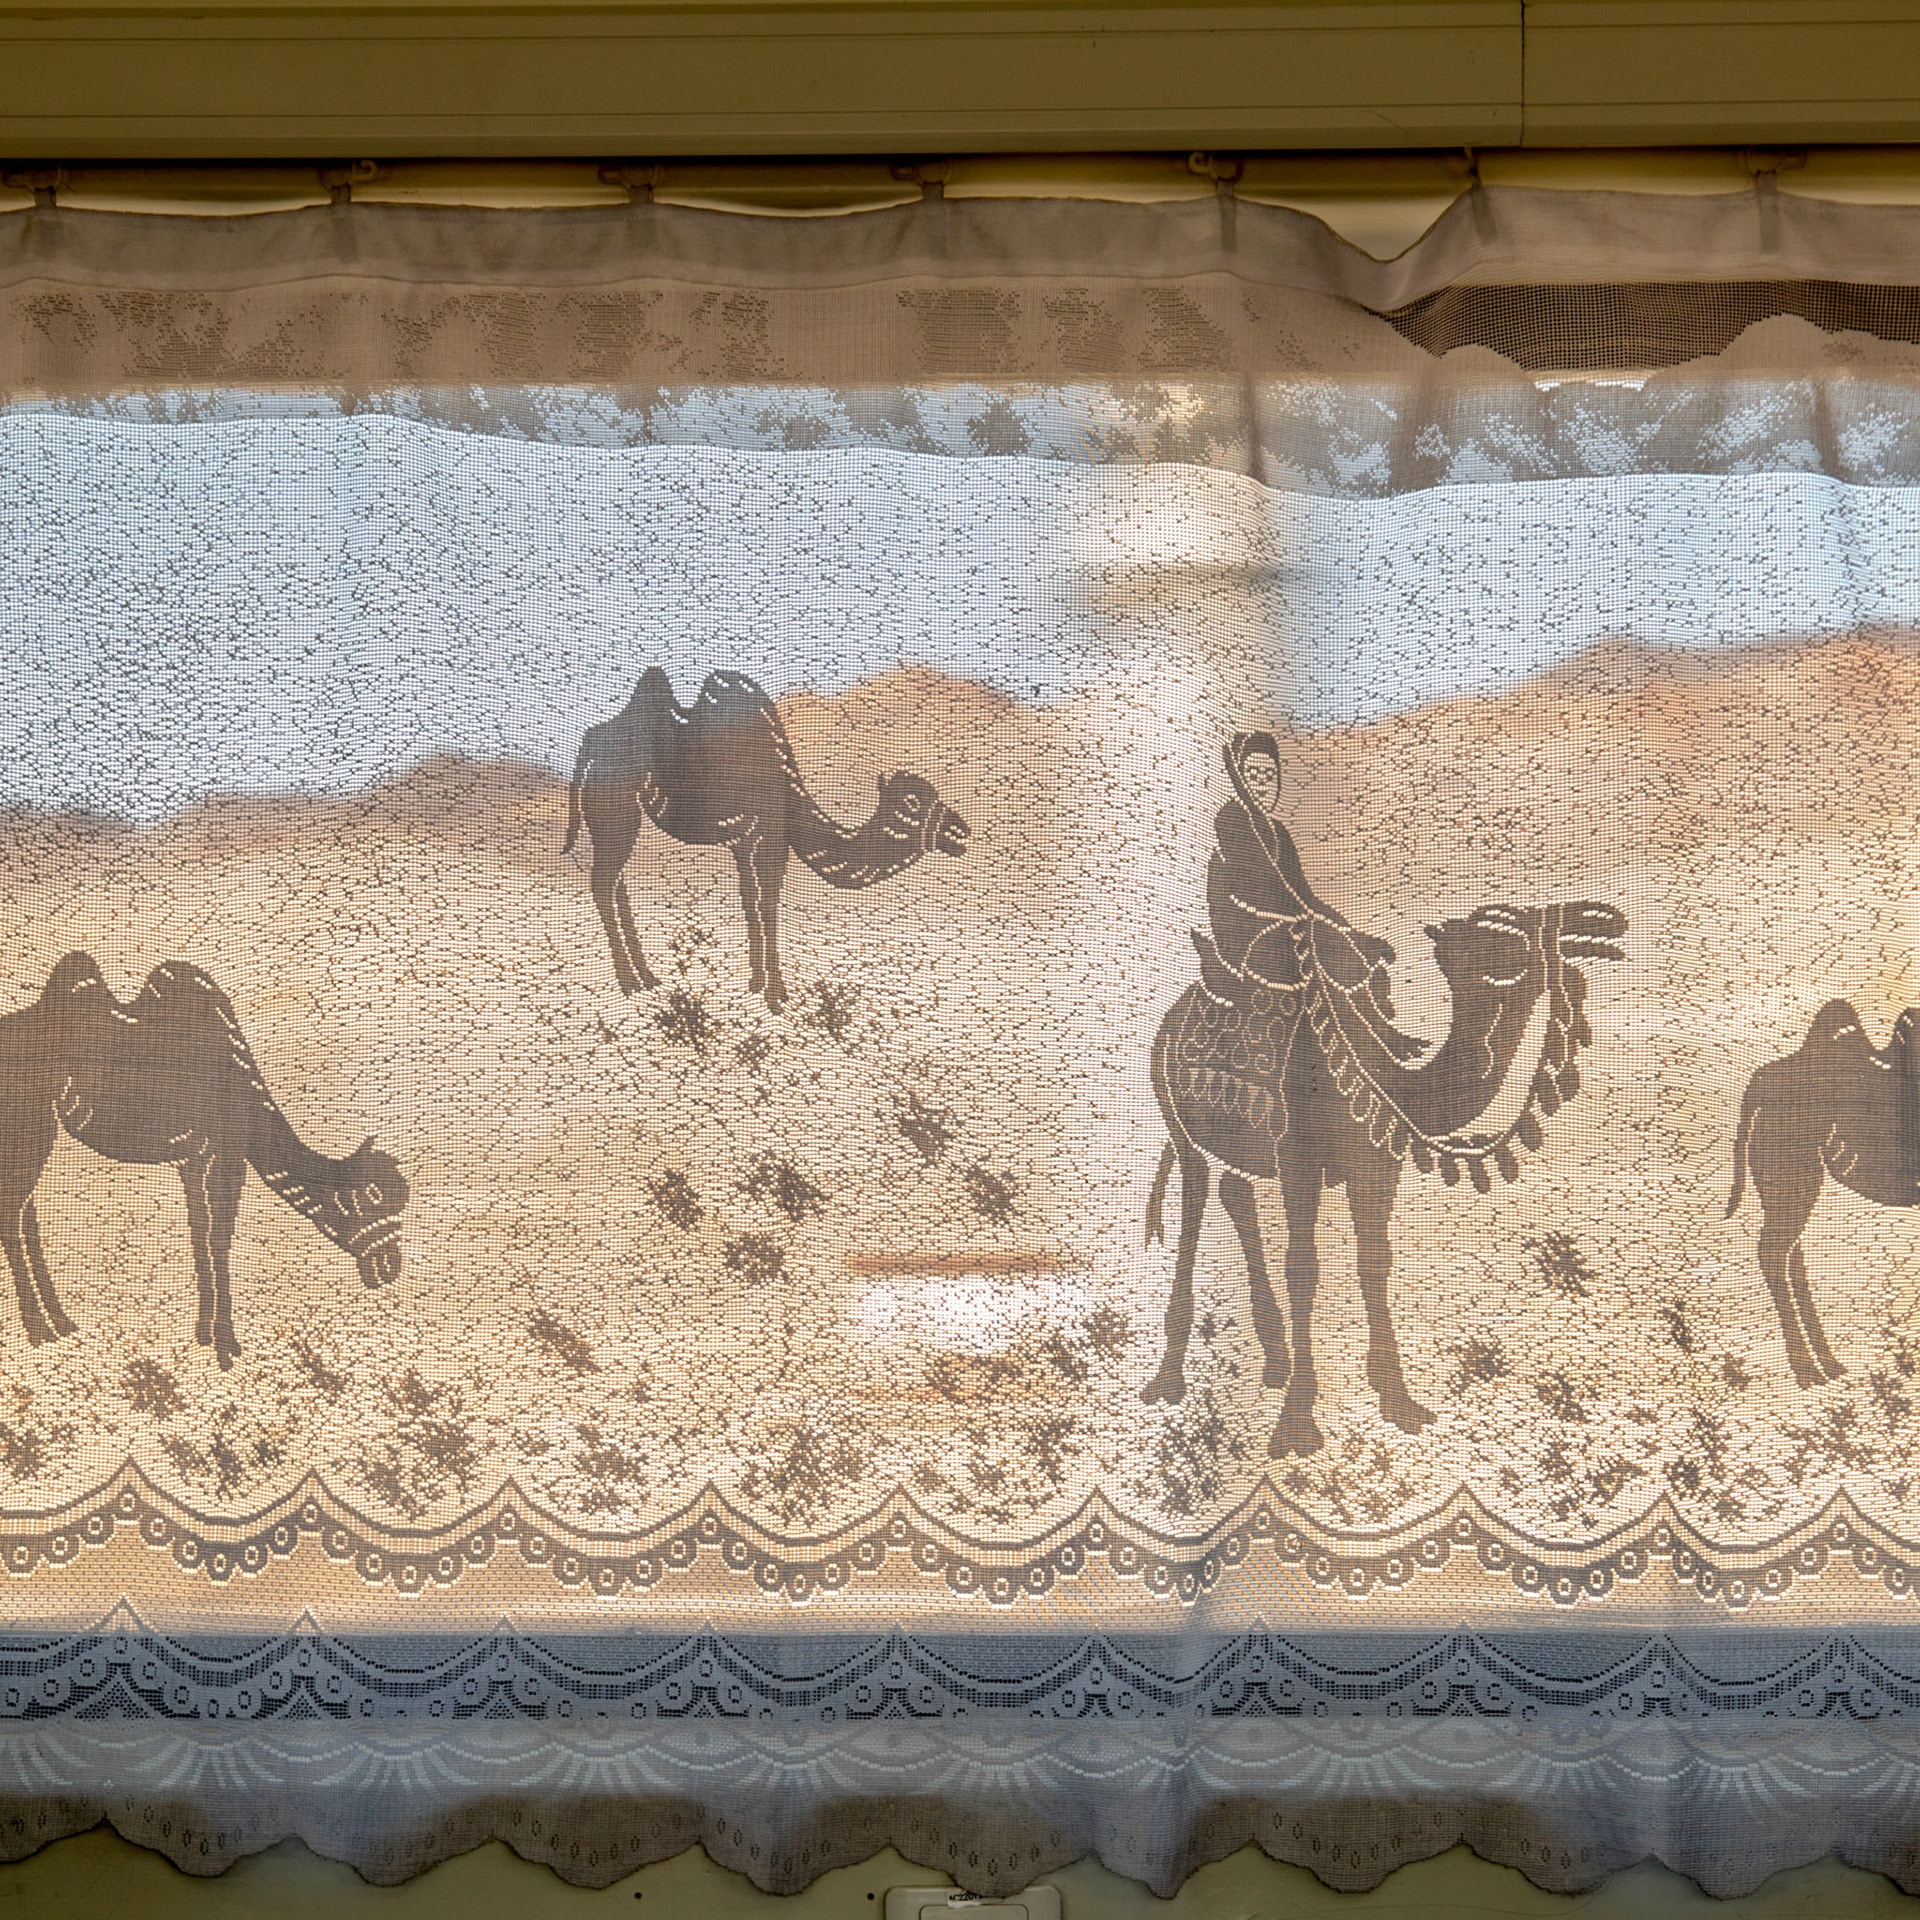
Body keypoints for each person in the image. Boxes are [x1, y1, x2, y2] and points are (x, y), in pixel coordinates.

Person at [1202, 731, 1421, 1059]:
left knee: (1349, 949)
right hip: (1244, 926)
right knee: (1322, 948)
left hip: (1288, 921)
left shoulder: (1279, 832)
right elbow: (1258, 891)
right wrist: (1319, 923)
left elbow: (1302, 892)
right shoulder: (1232, 819)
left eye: (1270, 775)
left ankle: (1375, 1034)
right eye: (1253, 775)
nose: (1263, 783)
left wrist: (1347, 929)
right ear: (1239, 778)